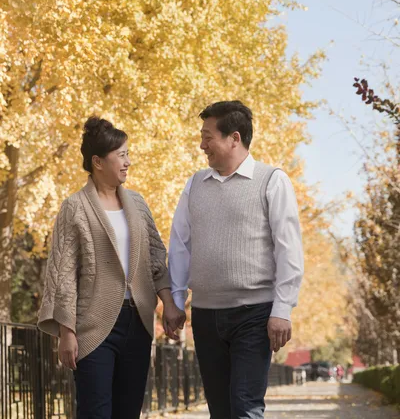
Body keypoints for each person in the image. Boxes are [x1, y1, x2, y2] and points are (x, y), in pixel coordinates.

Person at [38, 116, 185, 419]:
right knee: (95, 412)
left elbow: (156, 258)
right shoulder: (74, 207)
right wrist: (66, 332)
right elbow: (63, 272)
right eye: (121, 155)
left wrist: (169, 303)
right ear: (98, 162)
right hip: (92, 325)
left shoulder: (138, 203)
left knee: (128, 412)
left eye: (128, 154)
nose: (128, 162)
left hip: (139, 323)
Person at [168, 100, 304, 419]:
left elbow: (289, 249)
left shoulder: (272, 180)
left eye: (208, 136)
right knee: (221, 410)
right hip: (204, 315)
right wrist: (176, 300)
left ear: (235, 138)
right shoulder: (194, 185)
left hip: (254, 314)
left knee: (245, 405)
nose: (202, 145)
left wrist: (282, 309)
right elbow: (179, 246)